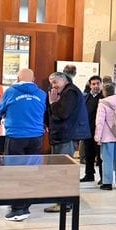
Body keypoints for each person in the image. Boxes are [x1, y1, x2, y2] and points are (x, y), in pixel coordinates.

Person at [0, 68, 47, 221]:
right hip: (36, 137)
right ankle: (26, 204)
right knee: (31, 171)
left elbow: (0, 110)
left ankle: (18, 208)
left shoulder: (11, 92)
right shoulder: (42, 94)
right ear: (33, 79)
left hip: (16, 136)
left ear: (18, 78)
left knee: (15, 171)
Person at [44, 71, 91, 213]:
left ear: (64, 80)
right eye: (51, 82)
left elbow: (63, 113)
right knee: (61, 169)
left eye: (55, 82)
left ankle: (64, 203)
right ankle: (62, 200)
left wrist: (53, 103)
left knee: (64, 170)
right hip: (62, 134)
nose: (53, 86)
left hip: (66, 135)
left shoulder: (70, 93)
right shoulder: (66, 92)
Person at [81, 75, 103, 184]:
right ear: (90, 85)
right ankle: (89, 174)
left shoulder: (104, 97)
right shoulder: (85, 97)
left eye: (98, 83)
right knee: (88, 154)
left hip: (99, 131)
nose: (96, 86)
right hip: (88, 130)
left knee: (100, 155)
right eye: (93, 84)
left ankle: (103, 177)